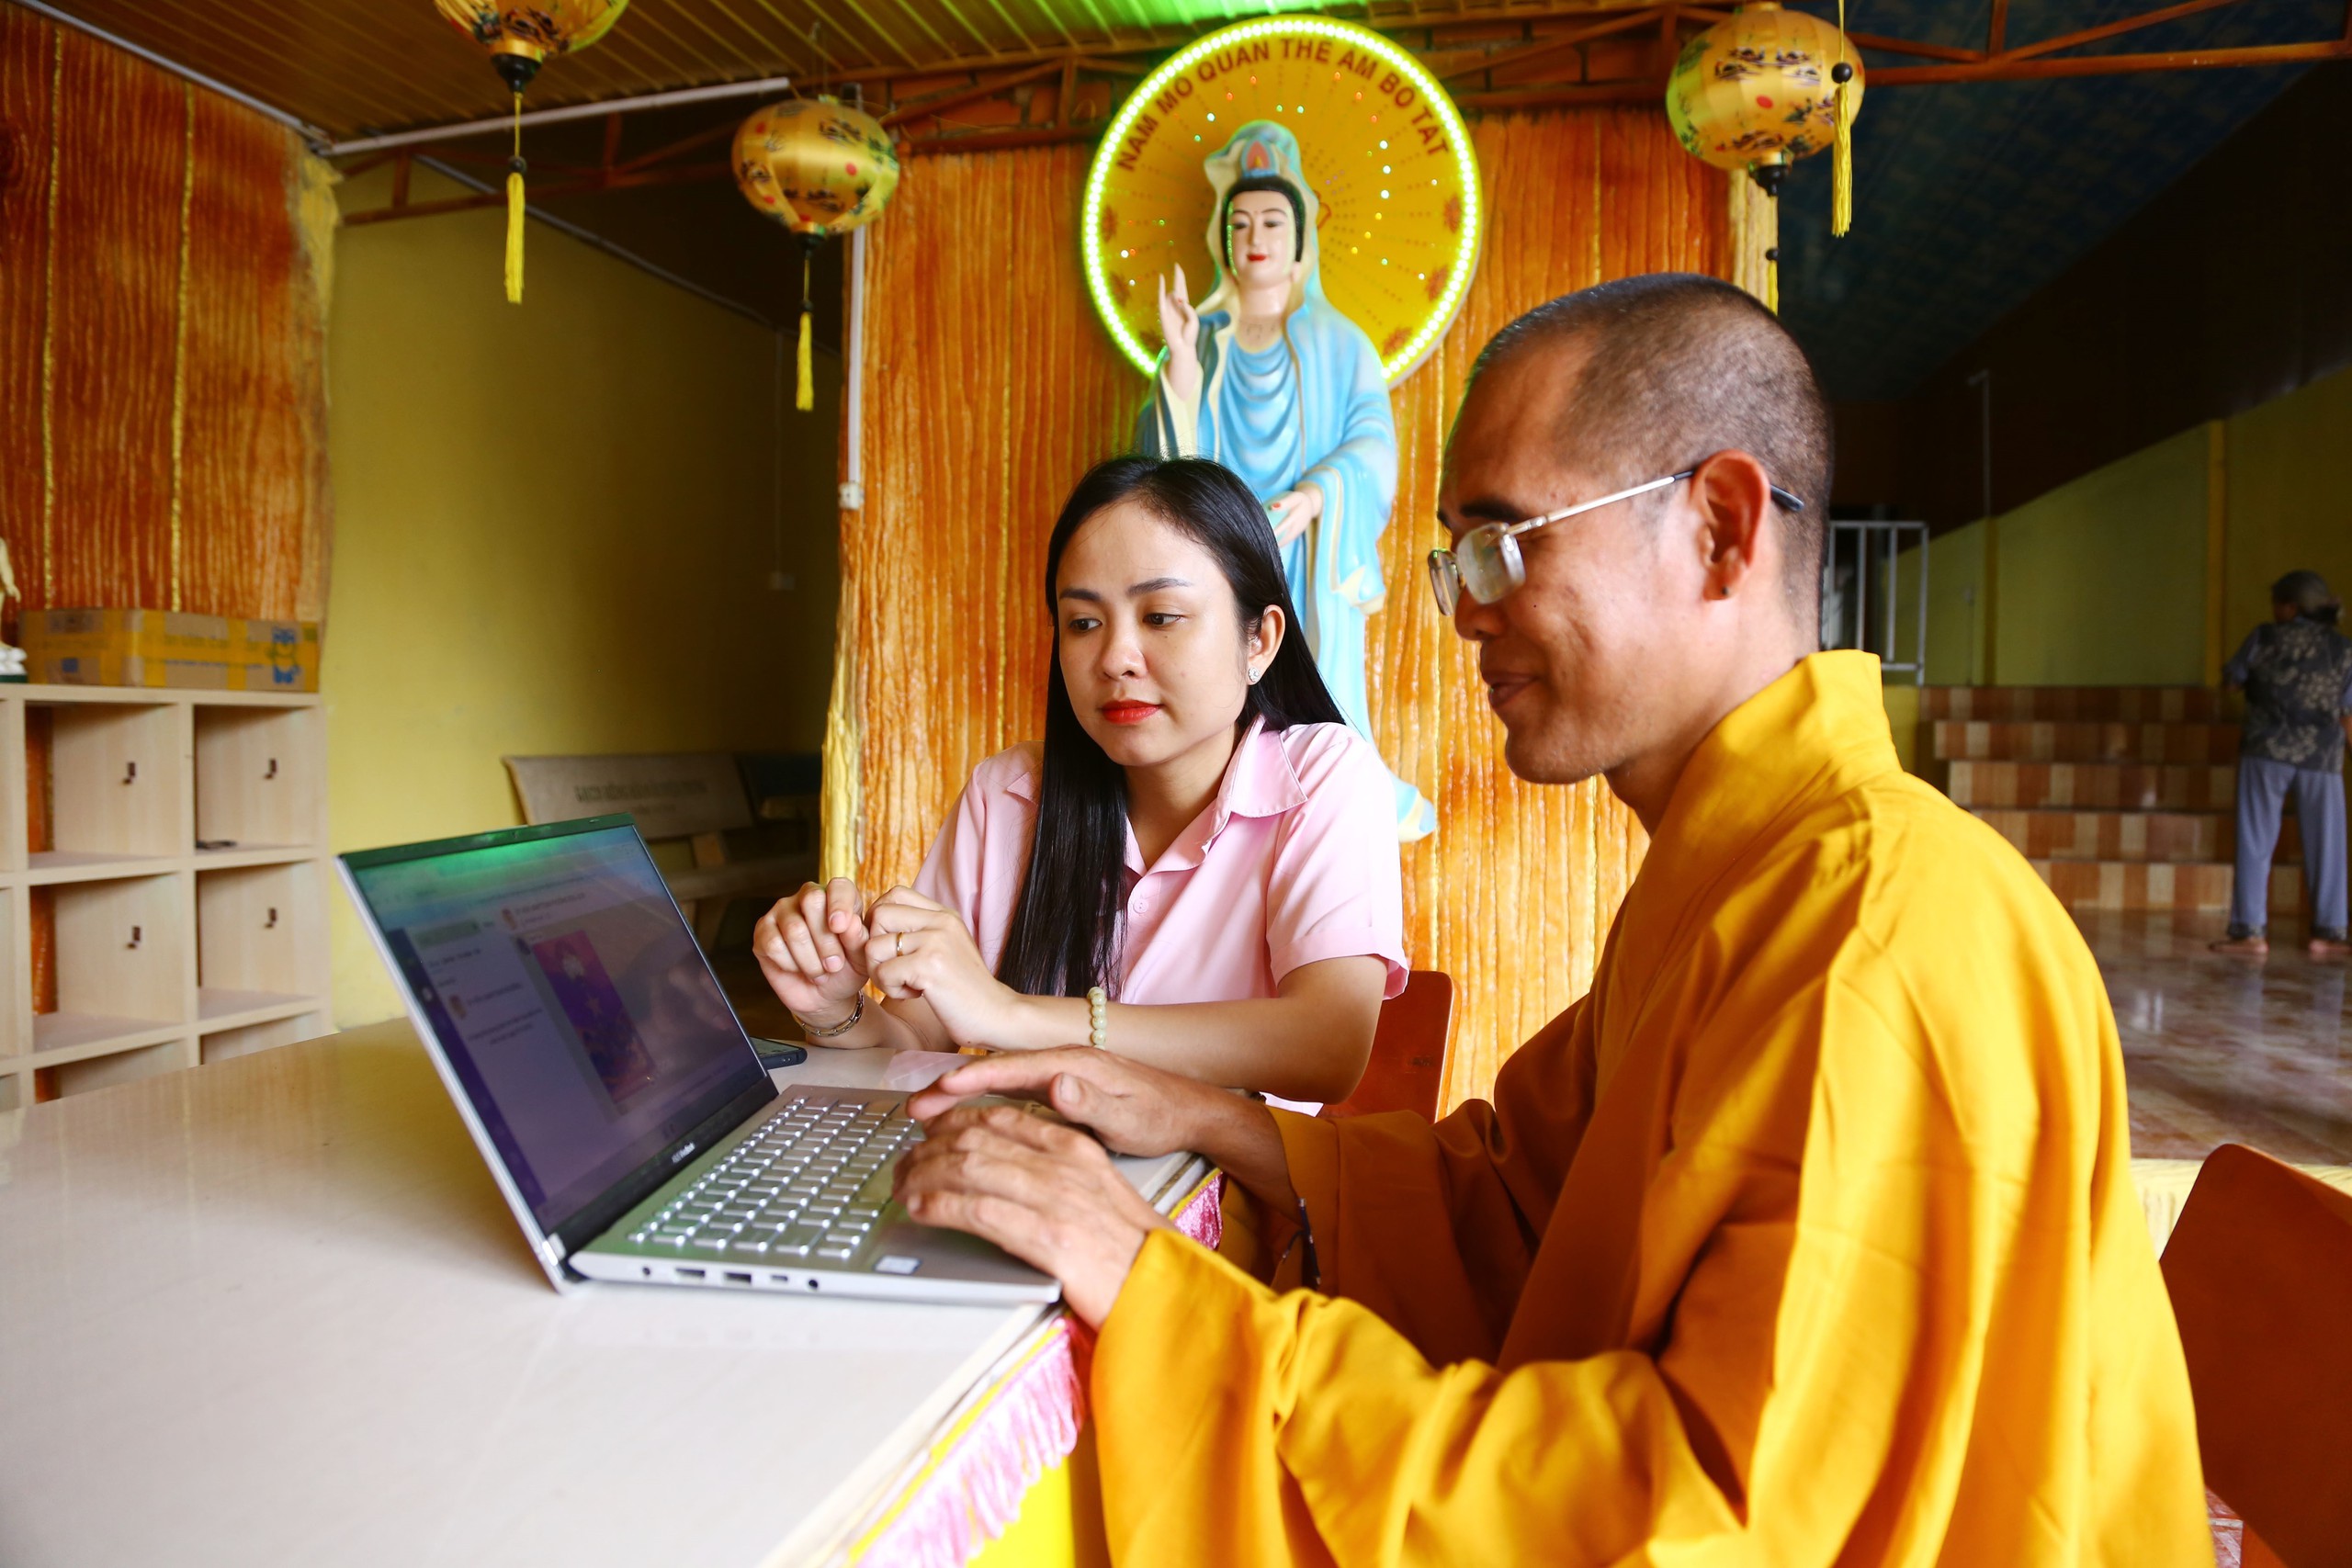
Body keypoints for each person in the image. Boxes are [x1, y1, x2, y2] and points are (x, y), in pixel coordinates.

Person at [892, 275, 2209, 1563]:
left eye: (1504, 542)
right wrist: (1209, 1121)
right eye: (1455, 558)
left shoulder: (1877, 936)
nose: (1466, 611)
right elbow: (1511, 1208)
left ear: (1720, 528)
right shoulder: (1730, 882)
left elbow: (1700, 1516)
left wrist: (1158, 1287)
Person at [752, 455, 1407, 1109]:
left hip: (1220, 1177)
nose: (1116, 659)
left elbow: (1326, 1045)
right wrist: (835, 1008)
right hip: (1016, 1164)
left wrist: (1010, 1014)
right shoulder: (1005, 795)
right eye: (1084, 623)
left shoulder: (1323, 776)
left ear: (1259, 639)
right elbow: (919, 1039)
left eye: (1161, 616)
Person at [1139, 121, 1436, 841]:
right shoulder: (1203, 343)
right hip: (1222, 555)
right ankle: (1215, 790)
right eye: (1239, 223)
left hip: (1308, 550)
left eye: (1273, 221)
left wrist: (1318, 493)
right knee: (1216, 672)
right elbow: (1162, 471)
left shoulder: (1341, 342)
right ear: (1222, 239)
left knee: (1312, 683)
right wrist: (1182, 363)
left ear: (1301, 239)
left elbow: (1373, 443)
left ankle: (1324, 789)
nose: (1255, 237)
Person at [2211, 569, 2351, 959]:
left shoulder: (2264, 637)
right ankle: (2329, 933)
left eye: (2277, 603)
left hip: (2264, 752)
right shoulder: (2342, 649)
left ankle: (2250, 933)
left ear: (2290, 607)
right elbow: (2348, 714)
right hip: (2321, 757)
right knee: (2327, 845)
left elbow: (2231, 682)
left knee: (2254, 841)